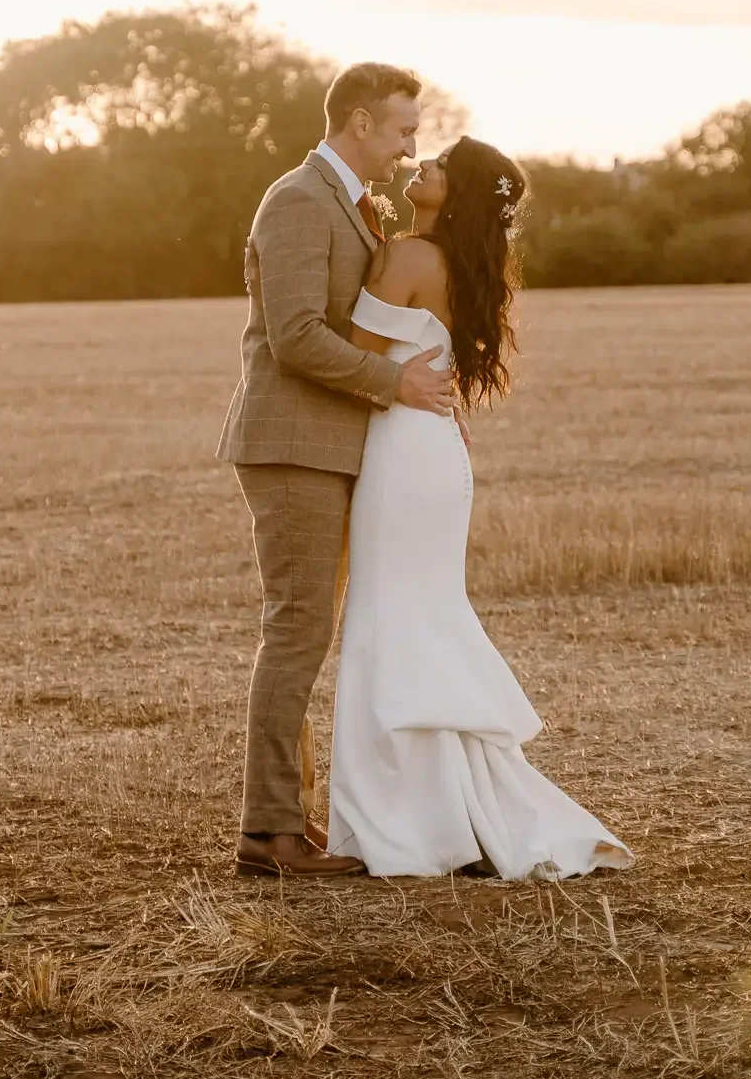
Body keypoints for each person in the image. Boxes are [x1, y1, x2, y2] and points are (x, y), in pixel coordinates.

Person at [327, 136, 634, 879]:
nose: (420, 166)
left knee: (388, 615)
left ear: (455, 194)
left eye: (436, 166)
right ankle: (446, 808)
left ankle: (415, 817)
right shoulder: (462, 264)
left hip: (403, 449)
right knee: (420, 611)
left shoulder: (405, 255)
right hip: (432, 451)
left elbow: (350, 352)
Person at [217, 62, 455, 878]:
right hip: (291, 447)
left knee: (309, 633)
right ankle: (267, 833)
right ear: (360, 123)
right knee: (296, 631)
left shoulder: (353, 204)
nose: (408, 146)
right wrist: (399, 382)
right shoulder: (296, 200)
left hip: (332, 447)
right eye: (401, 130)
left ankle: (292, 819)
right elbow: (294, 335)